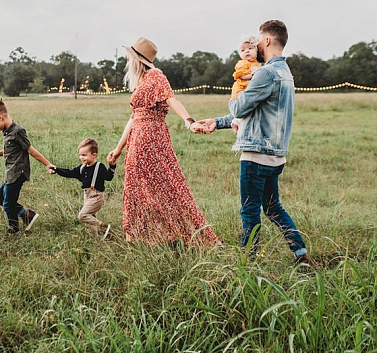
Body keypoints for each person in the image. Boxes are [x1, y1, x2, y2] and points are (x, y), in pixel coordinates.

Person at [195, 20, 316, 267]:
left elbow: (239, 107)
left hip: (256, 155)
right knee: (272, 208)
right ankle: (300, 254)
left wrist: (235, 94)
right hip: (276, 156)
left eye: (259, 40)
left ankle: (247, 266)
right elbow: (255, 113)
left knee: (250, 211)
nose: (256, 44)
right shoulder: (286, 73)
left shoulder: (265, 73)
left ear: (268, 41)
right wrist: (217, 123)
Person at [107, 37, 220, 246]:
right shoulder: (141, 81)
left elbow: (171, 99)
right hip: (138, 137)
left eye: (129, 56)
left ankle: (169, 233)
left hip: (150, 137)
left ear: (137, 59)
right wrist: (118, 148)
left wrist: (189, 121)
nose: (126, 60)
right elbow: (133, 117)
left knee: (164, 185)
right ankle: (142, 236)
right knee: (138, 187)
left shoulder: (155, 76)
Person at [0, 98, 54, 234]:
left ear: (0, 117)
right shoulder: (7, 132)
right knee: (0, 198)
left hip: (17, 173)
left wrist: (48, 164)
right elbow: (12, 149)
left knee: (8, 203)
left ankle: (14, 229)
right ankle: (27, 214)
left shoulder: (18, 131)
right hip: (10, 173)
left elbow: (31, 150)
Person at [50, 138, 115, 240]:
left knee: (83, 215)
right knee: (90, 220)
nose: (81, 157)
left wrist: (112, 166)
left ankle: (103, 227)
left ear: (94, 155)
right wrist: (56, 169)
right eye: (80, 155)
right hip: (87, 196)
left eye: (84, 155)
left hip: (96, 196)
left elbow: (109, 177)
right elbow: (69, 172)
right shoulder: (82, 168)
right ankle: (95, 239)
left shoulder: (99, 167)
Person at [231, 36, 261, 134]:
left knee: (249, 105)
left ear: (256, 51)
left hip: (248, 88)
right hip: (241, 88)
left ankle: (237, 121)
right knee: (243, 103)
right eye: (243, 50)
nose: (247, 51)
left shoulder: (257, 64)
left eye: (250, 48)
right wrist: (251, 76)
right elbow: (240, 75)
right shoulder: (242, 63)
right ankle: (237, 121)